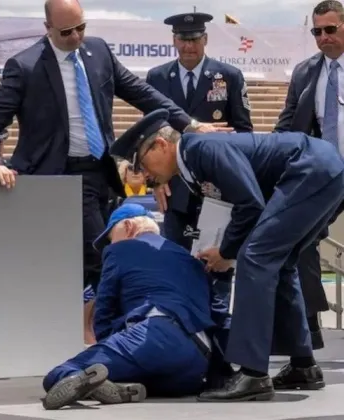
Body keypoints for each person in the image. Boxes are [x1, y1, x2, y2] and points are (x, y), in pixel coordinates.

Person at [0, 0, 230, 345]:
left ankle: (94, 333)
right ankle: (109, 338)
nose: (76, 36)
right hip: (56, 176)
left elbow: (142, 94)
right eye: (66, 31)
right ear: (47, 28)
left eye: (81, 27)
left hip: (101, 171)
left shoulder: (98, 52)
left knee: (99, 256)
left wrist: (190, 124)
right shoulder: (25, 65)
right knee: (103, 257)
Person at [110, 108, 344, 401]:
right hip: (321, 169)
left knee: (255, 258)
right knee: (279, 262)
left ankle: (253, 374)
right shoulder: (191, 166)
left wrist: (226, 251)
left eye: (142, 163)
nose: (144, 174)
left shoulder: (201, 148)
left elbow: (250, 204)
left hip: (311, 169)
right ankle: (303, 366)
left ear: (160, 145)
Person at [146, 12, 252, 355]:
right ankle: (183, 337)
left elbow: (244, 132)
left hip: (219, 190)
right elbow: (149, 137)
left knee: (217, 265)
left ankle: (219, 345)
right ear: (173, 40)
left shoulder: (228, 76)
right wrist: (154, 181)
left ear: (205, 40)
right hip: (175, 189)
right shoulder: (157, 77)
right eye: (182, 38)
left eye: (194, 38)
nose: (188, 45)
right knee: (177, 261)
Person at [41, 204, 213, 410]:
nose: (110, 243)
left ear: (129, 226)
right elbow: (217, 313)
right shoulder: (190, 259)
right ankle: (120, 387)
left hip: (153, 335)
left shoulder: (119, 250)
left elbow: (104, 310)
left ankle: (92, 383)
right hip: (198, 357)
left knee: (60, 374)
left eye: (111, 237)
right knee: (148, 378)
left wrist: (107, 347)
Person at [274, 0, 344, 350]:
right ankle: (310, 327)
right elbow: (288, 124)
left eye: (330, 29)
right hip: (326, 174)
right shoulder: (304, 72)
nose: (323, 37)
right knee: (302, 241)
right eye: (317, 31)